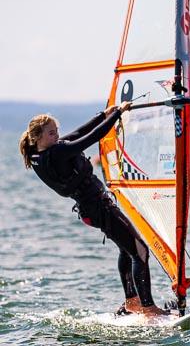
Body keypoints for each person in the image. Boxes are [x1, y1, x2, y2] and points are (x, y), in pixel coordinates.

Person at [19, 103, 168, 317]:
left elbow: (79, 132)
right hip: (99, 208)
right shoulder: (58, 153)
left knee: (127, 249)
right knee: (140, 251)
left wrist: (102, 115)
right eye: (52, 133)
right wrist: (117, 114)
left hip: (91, 210)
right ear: (38, 138)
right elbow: (91, 137)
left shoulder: (41, 156)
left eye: (57, 132)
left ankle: (132, 301)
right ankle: (148, 308)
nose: (57, 136)